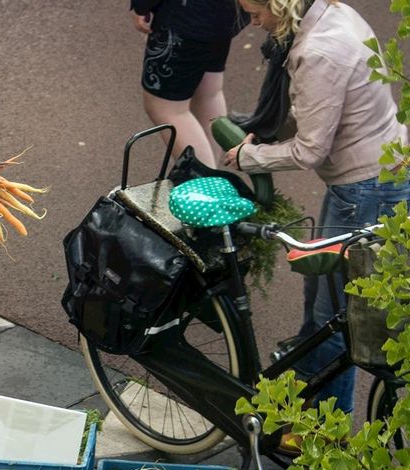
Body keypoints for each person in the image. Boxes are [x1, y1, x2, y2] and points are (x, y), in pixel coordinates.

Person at [225, 0, 410, 415]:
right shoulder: (334, 12)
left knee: (334, 319)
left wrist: (248, 158)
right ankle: (310, 410)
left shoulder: (319, 51)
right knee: (327, 304)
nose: (252, 22)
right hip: (378, 174)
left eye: (255, 13)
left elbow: (310, 149)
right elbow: (321, 113)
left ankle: (326, 437)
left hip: (362, 190)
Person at [130, 0, 249, 165]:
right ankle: (212, 176)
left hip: (186, 14)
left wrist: (141, 5)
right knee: (207, 92)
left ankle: (206, 185)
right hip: (227, 13)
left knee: (165, 108)